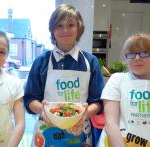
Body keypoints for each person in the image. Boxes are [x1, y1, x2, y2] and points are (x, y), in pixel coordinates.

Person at [23, 4, 104, 147]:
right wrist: (43, 111)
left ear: (78, 28)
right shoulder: (41, 62)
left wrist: (83, 114)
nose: (65, 30)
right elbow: (29, 99)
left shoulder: (90, 62)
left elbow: (97, 102)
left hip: (80, 132)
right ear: (52, 30)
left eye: (70, 25)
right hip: (46, 132)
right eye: (59, 25)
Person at [98, 33, 150, 147]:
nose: (137, 58)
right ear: (125, 58)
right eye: (131, 53)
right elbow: (111, 124)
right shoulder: (117, 80)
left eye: (144, 53)